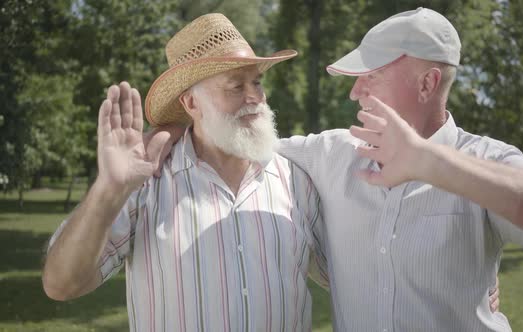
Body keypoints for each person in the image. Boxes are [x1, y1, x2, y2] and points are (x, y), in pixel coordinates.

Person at [276, 7, 523, 331]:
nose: (355, 92)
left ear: (427, 84)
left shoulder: (487, 159)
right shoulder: (331, 154)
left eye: (371, 76)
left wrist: (430, 162)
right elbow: (241, 146)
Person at [42, 14, 329, 331]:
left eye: (257, 82)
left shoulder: (295, 180)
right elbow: (61, 285)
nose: (255, 97)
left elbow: (351, 279)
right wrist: (108, 188)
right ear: (192, 102)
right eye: (236, 86)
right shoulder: (146, 183)